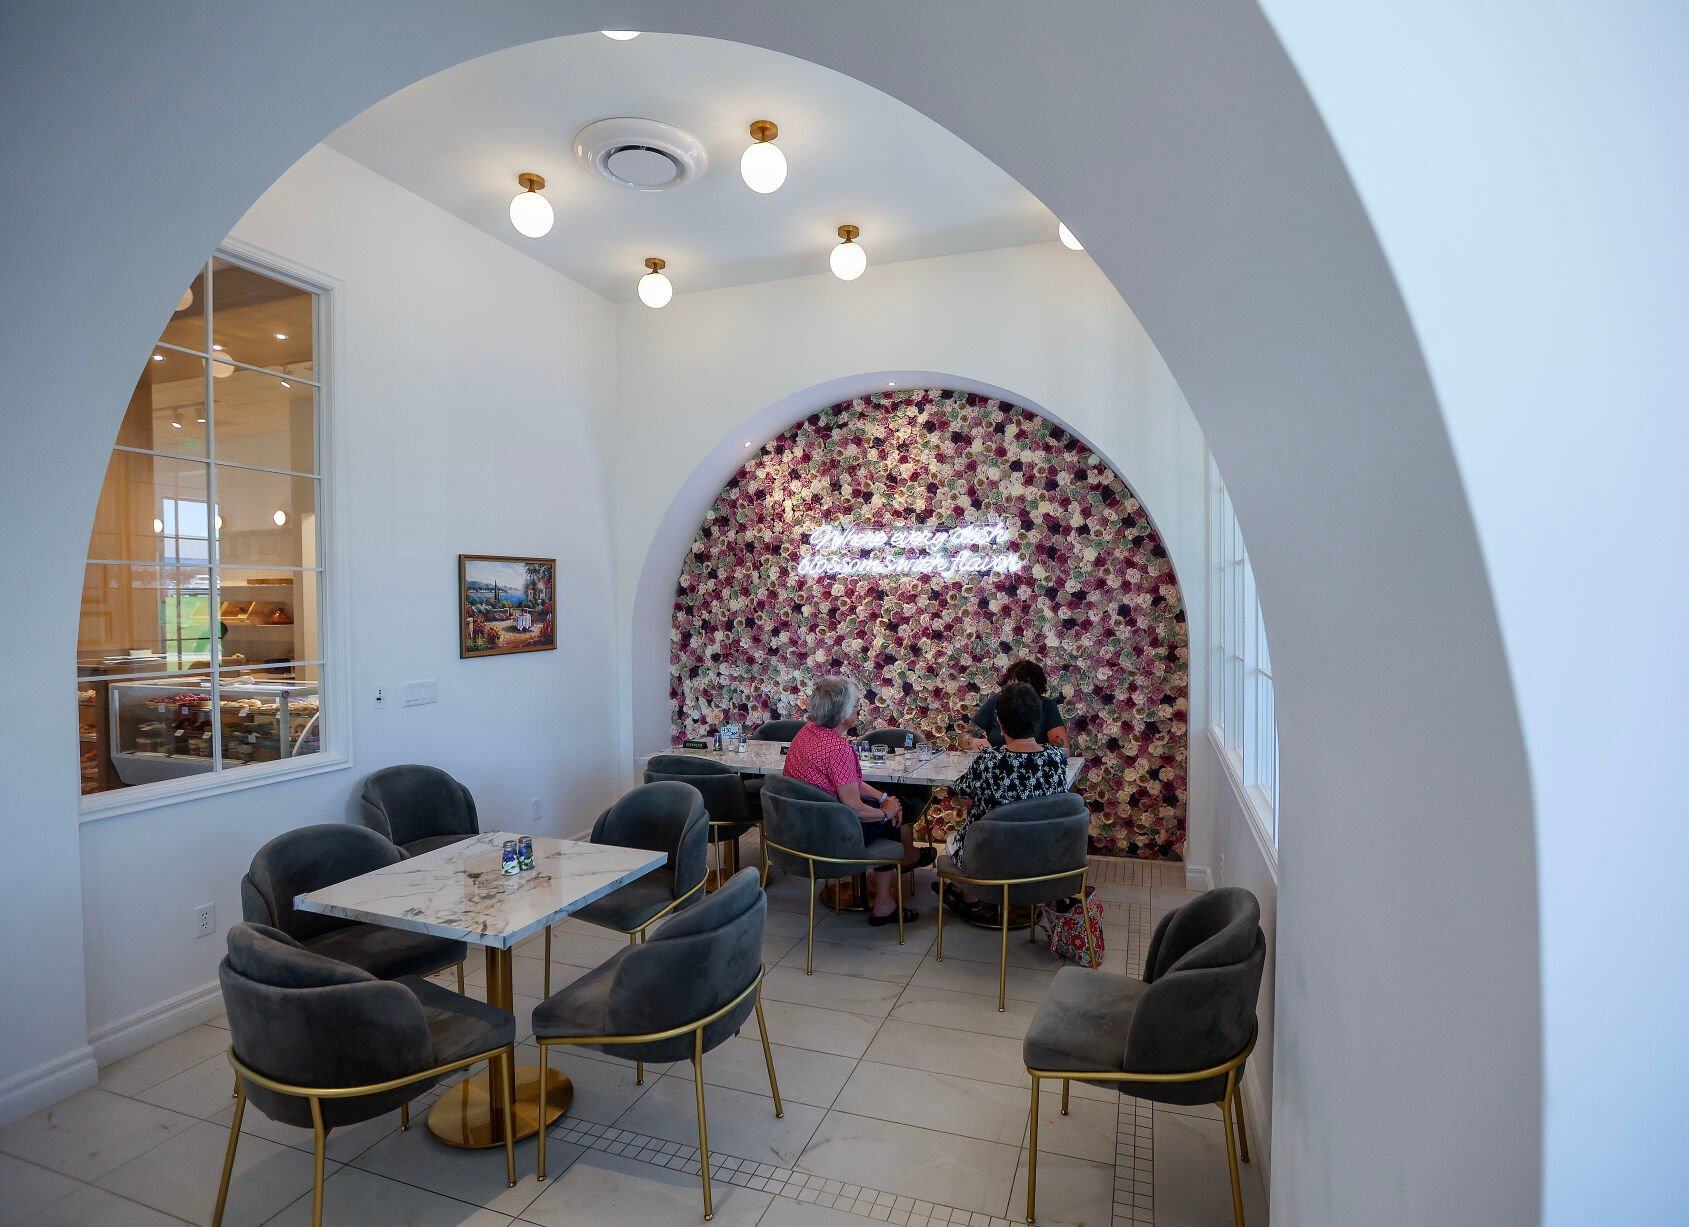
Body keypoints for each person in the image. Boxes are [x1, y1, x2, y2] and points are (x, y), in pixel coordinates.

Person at [784, 676, 930, 925]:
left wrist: (883, 798)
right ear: (843, 715)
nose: (859, 711)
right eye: (855, 706)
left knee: (888, 806)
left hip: (801, 826)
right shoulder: (838, 748)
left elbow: (846, 781)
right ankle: (887, 899)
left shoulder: (805, 733)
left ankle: (903, 859)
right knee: (892, 820)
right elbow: (854, 808)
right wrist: (887, 812)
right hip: (830, 834)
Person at [944, 680, 1073, 925]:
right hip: (1044, 854)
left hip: (994, 859)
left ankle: (970, 895)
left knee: (955, 838)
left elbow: (961, 790)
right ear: (1037, 720)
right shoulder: (1057, 759)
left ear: (1000, 722)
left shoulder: (989, 761)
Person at [962, 659, 1069, 749]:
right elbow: (963, 737)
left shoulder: (1047, 706)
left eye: (1022, 688)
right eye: (1010, 687)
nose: (1015, 693)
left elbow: (1063, 747)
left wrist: (1016, 750)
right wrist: (973, 742)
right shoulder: (996, 702)